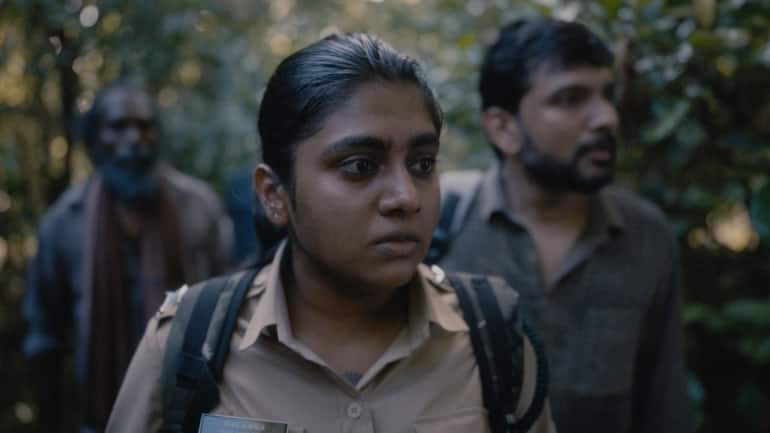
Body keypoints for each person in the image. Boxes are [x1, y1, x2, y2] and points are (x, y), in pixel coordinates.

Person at [106, 33, 556, 433]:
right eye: (360, 166)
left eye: (422, 164)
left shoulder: (494, 340)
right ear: (274, 194)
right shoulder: (186, 347)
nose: (406, 197)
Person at [433, 19, 692, 433]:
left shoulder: (646, 235)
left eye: (608, 95)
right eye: (570, 99)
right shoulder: (436, 227)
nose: (606, 118)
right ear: (503, 128)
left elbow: (664, 406)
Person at [22, 81, 233, 433]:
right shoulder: (64, 222)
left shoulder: (198, 207)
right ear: (95, 139)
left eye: (145, 126)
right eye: (118, 127)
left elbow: (231, 318)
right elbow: (45, 339)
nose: (134, 138)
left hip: (191, 418)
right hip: (102, 419)